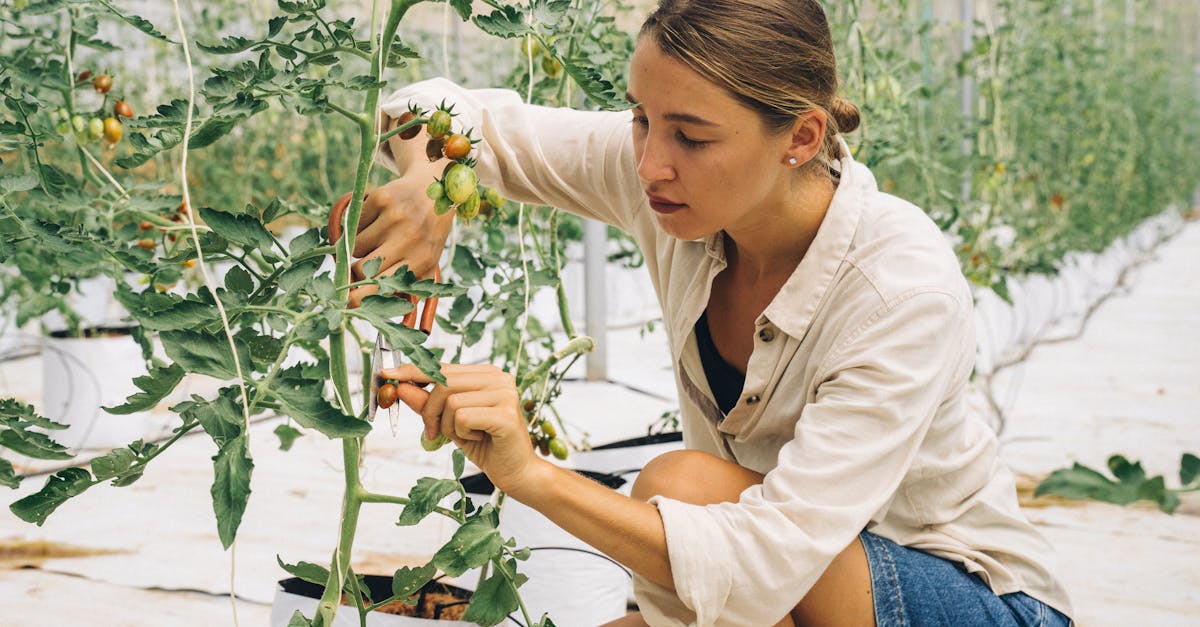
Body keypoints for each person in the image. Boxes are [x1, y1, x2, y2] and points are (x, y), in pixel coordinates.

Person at [354, 1, 1075, 625]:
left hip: (969, 598)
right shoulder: (670, 179)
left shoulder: (899, 288)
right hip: (787, 585)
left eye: (691, 138)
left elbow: (765, 560)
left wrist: (531, 473)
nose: (648, 165)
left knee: (682, 488)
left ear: (801, 137)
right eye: (641, 119)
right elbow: (443, 109)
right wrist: (428, 184)